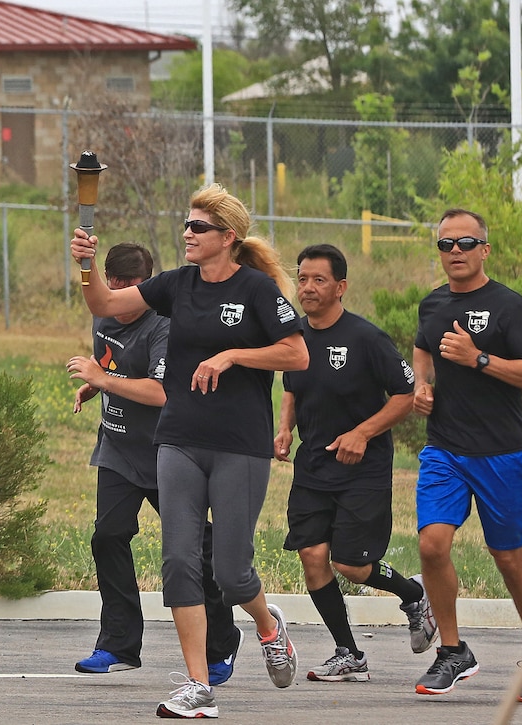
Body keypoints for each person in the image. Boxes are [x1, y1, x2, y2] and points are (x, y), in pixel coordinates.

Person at [71, 182, 309, 719]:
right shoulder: (176, 285)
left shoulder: (255, 290)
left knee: (230, 572)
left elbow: (296, 354)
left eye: (198, 227)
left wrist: (232, 357)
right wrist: (86, 266)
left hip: (239, 445)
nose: (187, 234)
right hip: (177, 438)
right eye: (186, 224)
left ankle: (269, 627)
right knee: (178, 561)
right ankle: (197, 685)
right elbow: (105, 303)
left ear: (228, 237)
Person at [68, 243, 245, 686]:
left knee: (195, 553)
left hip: (169, 452)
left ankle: (222, 642)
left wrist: (104, 379)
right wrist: (97, 387)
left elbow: (163, 392)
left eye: (134, 285)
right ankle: (118, 644)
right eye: (115, 283)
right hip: (119, 449)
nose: (123, 294)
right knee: (107, 536)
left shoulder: (164, 325)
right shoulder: (103, 314)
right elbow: (112, 365)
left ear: (148, 285)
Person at [412, 208, 522, 702]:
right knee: (432, 544)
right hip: (444, 449)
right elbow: (424, 350)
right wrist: (423, 386)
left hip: (501, 452)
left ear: (484, 250)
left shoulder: (509, 306)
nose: (455, 252)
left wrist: (480, 358)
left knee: (508, 557)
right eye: (445, 244)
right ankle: (453, 652)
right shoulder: (431, 305)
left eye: (465, 243)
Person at [274, 243, 430, 683]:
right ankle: (349, 653)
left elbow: (406, 395)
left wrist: (362, 433)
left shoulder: (367, 339)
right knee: (312, 555)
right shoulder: (294, 337)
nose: (307, 287)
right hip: (314, 466)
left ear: (340, 287)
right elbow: (291, 386)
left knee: (351, 563)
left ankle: (414, 594)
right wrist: (285, 428)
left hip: (363, 468)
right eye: (302, 278)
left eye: (318, 279)